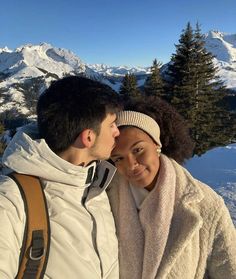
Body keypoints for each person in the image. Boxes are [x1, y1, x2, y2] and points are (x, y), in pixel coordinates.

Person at [0, 76, 122, 278]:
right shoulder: (11, 201)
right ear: (88, 137)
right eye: (111, 125)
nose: (118, 132)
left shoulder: (99, 182)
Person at [107, 96, 236, 279]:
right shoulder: (105, 200)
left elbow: (229, 269)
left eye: (138, 150)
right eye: (119, 158)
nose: (131, 165)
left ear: (157, 144)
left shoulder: (207, 204)